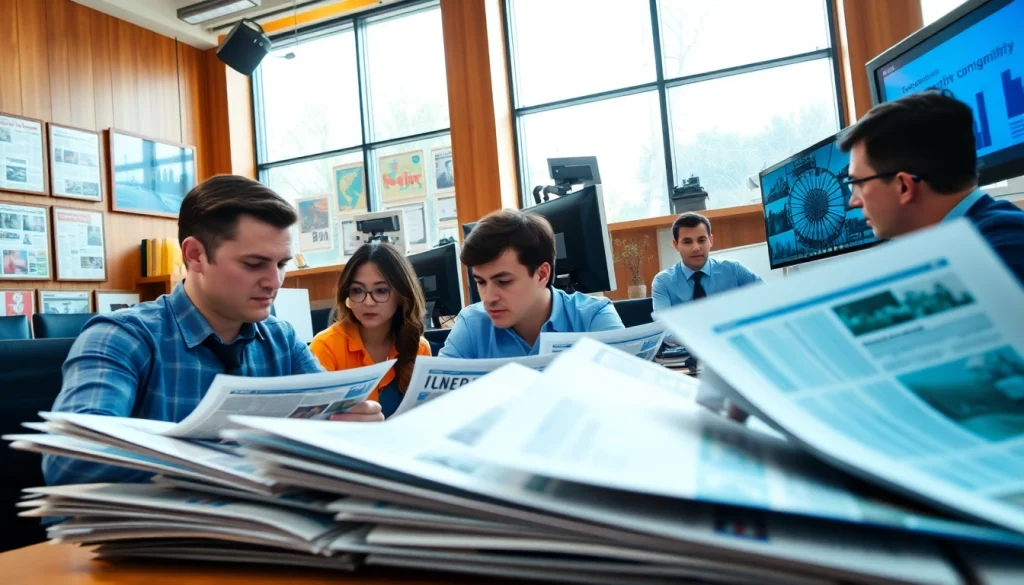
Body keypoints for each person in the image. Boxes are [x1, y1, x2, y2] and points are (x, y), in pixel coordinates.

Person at [43, 175, 383, 487]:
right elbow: (70, 460)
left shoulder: (282, 340)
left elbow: (334, 418)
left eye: (281, 264)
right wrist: (228, 455)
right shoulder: (121, 338)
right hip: (150, 542)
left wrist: (352, 425)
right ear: (195, 255)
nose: (274, 281)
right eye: (253, 264)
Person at [838, 88, 1024, 285]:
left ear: (904, 187)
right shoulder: (960, 243)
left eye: (857, 184)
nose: (854, 201)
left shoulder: (1002, 254)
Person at [439, 209, 624, 359]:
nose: (488, 298)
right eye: (480, 282)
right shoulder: (471, 324)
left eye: (503, 282)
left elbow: (631, 394)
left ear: (542, 274)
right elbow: (436, 399)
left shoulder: (593, 317)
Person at [309, 242, 432, 418]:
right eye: (358, 290)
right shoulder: (326, 346)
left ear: (401, 295)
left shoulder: (419, 348)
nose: (368, 302)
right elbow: (313, 423)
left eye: (381, 290)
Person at [651, 212, 763, 312]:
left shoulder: (734, 270)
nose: (696, 248)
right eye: (687, 242)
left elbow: (768, 297)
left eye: (701, 240)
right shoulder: (663, 282)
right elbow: (663, 328)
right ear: (676, 245)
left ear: (710, 241)